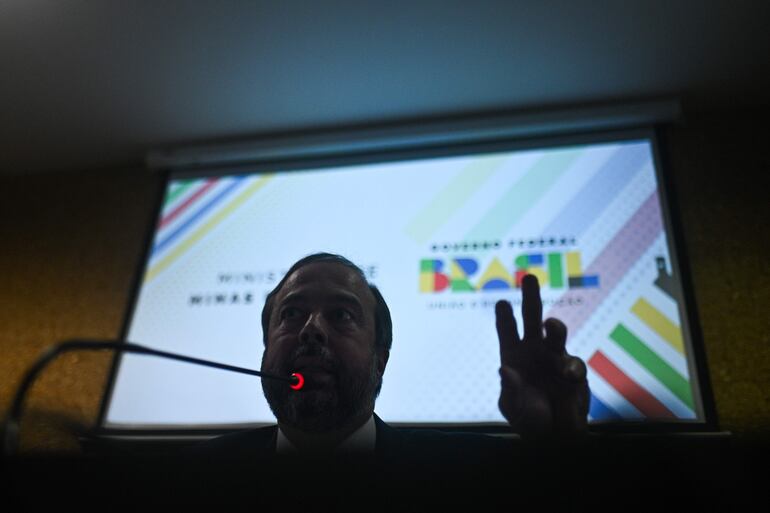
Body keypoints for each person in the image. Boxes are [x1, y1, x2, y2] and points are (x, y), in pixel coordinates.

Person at [195, 252, 589, 463]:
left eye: (341, 315)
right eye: (292, 313)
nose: (311, 330)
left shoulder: (464, 471)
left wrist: (558, 446)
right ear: (265, 349)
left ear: (380, 360)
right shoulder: (198, 474)